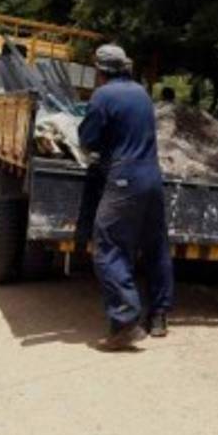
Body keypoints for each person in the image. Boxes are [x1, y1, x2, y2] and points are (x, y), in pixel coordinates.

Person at [79, 44, 174, 351]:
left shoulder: (103, 95)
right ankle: (158, 315)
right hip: (151, 177)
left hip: (123, 177)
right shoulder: (141, 93)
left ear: (100, 70)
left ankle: (125, 322)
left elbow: (87, 139)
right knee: (156, 245)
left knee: (108, 246)